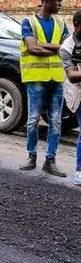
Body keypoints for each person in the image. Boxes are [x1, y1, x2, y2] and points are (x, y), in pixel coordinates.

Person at [18, 0, 69, 176]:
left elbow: (67, 49)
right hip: (36, 78)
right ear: (45, 0)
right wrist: (56, 47)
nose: (60, 3)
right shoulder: (28, 22)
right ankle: (32, 156)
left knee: (56, 121)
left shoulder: (61, 24)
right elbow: (32, 49)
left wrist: (46, 46)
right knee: (32, 120)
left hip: (56, 79)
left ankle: (50, 160)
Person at [59, 10, 81, 185]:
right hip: (78, 94)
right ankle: (80, 170)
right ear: (77, 25)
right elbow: (72, 76)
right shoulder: (67, 47)